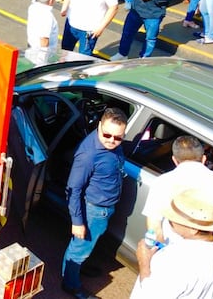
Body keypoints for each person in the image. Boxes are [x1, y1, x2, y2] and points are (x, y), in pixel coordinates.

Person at [62, 107, 128, 299]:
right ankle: (70, 284)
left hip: (104, 207)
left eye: (118, 137)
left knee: (86, 247)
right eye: (107, 134)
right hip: (93, 210)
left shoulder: (112, 144)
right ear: (99, 125)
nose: (111, 141)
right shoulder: (89, 155)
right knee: (79, 249)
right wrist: (77, 221)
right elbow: (73, 189)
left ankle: (79, 268)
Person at [130, 189, 213, 299]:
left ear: (193, 229)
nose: (169, 221)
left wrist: (144, 262)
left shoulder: (175, 259)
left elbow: (148, 294)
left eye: (173, 219)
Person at [141, 135, 213, 245]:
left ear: (174, 160)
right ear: (204, 159)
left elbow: (154, 228)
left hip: (176, 253)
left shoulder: (163, 182)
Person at [26, 0, 59, 65]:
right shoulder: (47, 16)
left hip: (31, 48)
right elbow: (44, 40)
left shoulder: (33, 7)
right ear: (50, 1)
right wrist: (42, 63)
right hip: (42, 55)